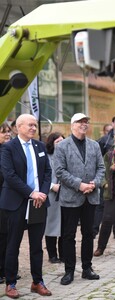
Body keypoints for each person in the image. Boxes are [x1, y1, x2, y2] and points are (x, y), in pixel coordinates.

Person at [0, 114, 52, 298]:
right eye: (29, 125)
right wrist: (31, 193)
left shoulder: (40, 146)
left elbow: (47, 171)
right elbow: (9, 175)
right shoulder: (8, 148)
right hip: (16, 203)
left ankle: (37, 282)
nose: (33, 128)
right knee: (13, 245)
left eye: (34, 125)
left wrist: (43, 193)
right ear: (18, 127)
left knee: (36, 245)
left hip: (39, 202)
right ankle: (11, 283)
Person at [54, 113, 105, 286]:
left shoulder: (94, 145)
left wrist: (94, 183)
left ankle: (87, 268)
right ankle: (69, 271)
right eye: (80, 122)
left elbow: (101, 168)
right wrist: (79, 185)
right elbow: (60, 171)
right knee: (68, 235)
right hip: (70, 197)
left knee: (88, 234)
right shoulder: (62, 146)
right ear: (72, 125)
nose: (84, 124)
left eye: (86, 122)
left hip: (90, 197)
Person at [44, 132, 65, 264]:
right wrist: (52, 186)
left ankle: (63, 254)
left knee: (64, 226)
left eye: (62, 141)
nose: (60, 144)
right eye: (58, 142)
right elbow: (42, 176)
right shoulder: (47, 157)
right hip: (51, 195)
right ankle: (52, 254)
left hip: (65, 195)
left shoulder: (66, 156)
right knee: (51, 225)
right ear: (52, 143)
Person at [0, 122, 12, 284]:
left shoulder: (9, 150)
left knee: (9, 236)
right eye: (3, 132)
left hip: (9, 199)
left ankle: (7, 269)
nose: (7, 134)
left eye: (9, 131)